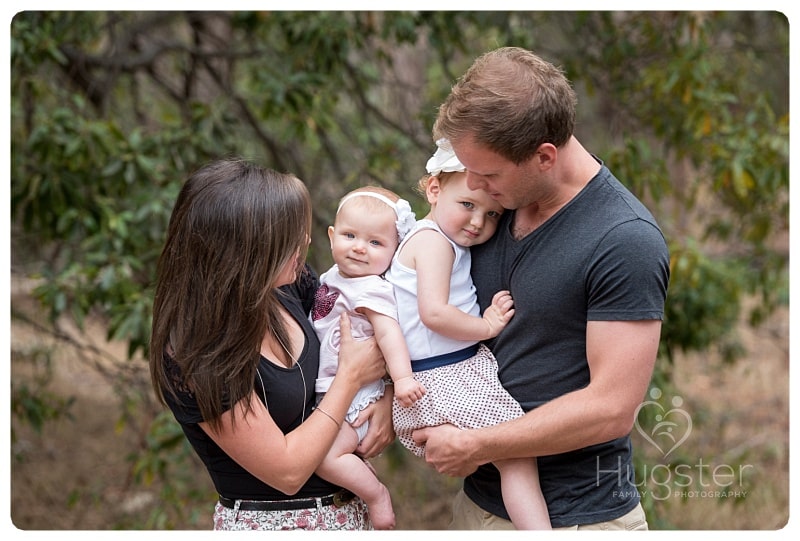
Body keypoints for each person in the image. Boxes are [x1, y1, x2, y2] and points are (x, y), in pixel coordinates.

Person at [412, 47, 670, 530]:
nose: (472, 185)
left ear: (544, 156)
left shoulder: (623, 239)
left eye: (487, 174)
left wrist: (479, 444)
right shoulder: (490, 207)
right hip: (479, 506)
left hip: (578, 517)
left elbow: (611, 409)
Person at [149, 158, 395, 531]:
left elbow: (365, 327)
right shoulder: (194, 354)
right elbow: (287, 470)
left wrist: (386, 397)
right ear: (245, 252)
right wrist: (349, 379)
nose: (306, 242)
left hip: (350, 515)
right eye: (289, 237)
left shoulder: (289, 287)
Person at [385, 140, 551, 530]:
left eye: (492, 213)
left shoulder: (439, 241)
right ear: (434, 190)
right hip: (443, 377)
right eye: (467, 205)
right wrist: (487, 326)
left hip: (434, 380)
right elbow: (434, 313)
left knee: (504, 457)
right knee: (517, 458)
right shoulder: (432, 243)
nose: (478, 222)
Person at [310, 186, 421, 529]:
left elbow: (389, 335)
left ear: (394, 250)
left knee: (324, 457)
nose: (359, 247)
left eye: (375, 242)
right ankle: (362, 482)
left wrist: (401, 380)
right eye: (350, 235)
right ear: (331, 236)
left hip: (358, 395)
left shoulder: (373, 289)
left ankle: (377, 497)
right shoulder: (330, 278)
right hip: (333, 389)